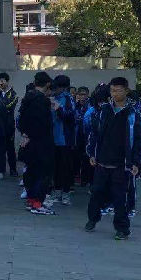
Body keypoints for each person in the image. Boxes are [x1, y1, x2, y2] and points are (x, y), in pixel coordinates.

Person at [85, 76, 141, 240]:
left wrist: (136, 162)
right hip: (102, 162)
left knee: (120, 198)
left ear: (126, 91)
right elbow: (94, 133)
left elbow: (139, 140)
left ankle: (122, 229)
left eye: (118, 90)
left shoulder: (133, 114)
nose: (115, 94)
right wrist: (91, 153)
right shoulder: (104, 111)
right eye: (112, 90)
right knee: (96, 193)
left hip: (122, 164)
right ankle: (92, 219)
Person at [18, 71, 55, 215]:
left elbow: (21, 120)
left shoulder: (27, 98)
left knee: (31, 172)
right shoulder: (43, 101)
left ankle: (31, 200)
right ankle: (38, 203)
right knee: (43, 173)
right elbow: (43, 124)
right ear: (47, 84)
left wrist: (25, 134)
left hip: (29, 142)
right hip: (42, 142)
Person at [50, 74, 77, 205]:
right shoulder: (52, 97)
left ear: (64, 88)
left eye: (57, 88)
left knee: (66, 168)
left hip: (65, 140)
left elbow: (70, 116)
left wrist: (58, 108)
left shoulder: (68, 99)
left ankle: (66, 194)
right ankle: (57, 192)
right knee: (55, 167)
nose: (55, 90)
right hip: (53, 139)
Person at [0, 72, 19, 176]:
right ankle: (0, 169)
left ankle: (13, 170)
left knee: (10, 149)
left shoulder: (13, 94)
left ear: (7, 81)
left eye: (2, 81)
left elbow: (9, 106)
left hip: (9, 126)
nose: (0, 83)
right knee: (0, 149)